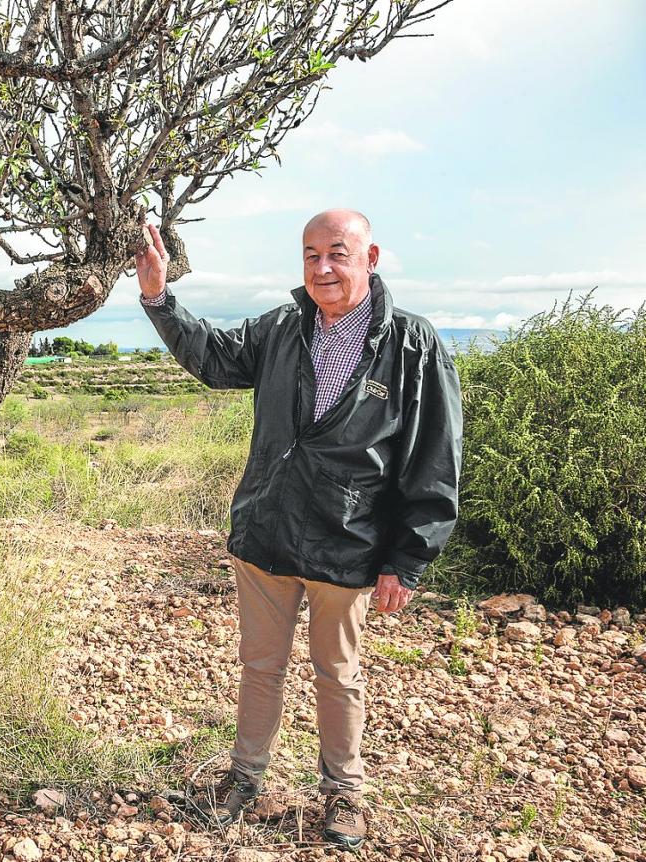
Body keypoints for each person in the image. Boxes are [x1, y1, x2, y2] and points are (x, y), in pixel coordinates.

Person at [136, 210, 463, 849]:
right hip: (267, 531)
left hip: (349, 541)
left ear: (371, 259)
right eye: (311, 256)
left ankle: (344, 795)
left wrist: (408, 558)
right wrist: (158, 297)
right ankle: (244, 780)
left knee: (337, 672)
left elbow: (433, 457)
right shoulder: (283, 327)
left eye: (337, 254)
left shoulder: (412, 345)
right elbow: (214, 357)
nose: (323, 268)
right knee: (260, 666)